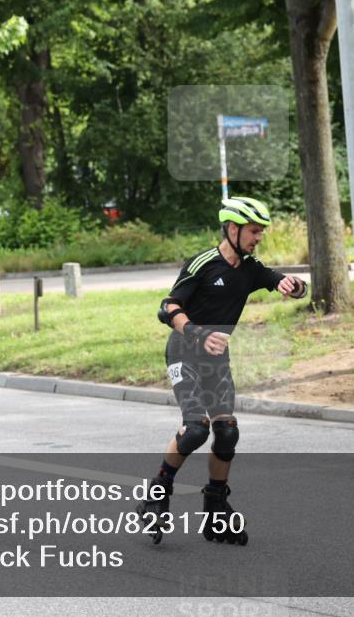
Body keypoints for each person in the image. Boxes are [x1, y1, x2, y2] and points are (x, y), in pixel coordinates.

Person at [138, 196, 307, 545]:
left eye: (260, 232)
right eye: (253, 231)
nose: (258, 238)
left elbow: (281, 282)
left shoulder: (249, 267)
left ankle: (215, 508)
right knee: (196, 429)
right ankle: (158, 492)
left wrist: (294, 286)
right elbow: (167, 306)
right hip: (184, 352)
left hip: (216, 361)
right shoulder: (203, 263)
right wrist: (199, 333)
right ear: (232, 229)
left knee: (227, 432)